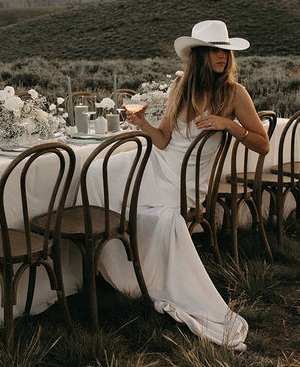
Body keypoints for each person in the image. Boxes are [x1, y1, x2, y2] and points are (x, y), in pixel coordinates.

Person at [84, 20, 269, 350]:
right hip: (159, 165)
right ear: (198, 55)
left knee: (163, 216)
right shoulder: (180, 87)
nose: (221, 56)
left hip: (185, 183)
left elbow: (262, 144)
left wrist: (229, 124)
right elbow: (163, 140)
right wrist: (143, 124)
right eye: (214, 50)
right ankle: (118, 271)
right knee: (96, 173)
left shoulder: (235, 93)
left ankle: (141, 278)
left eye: (224, 51)